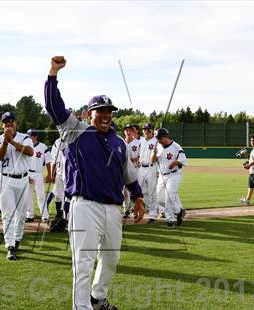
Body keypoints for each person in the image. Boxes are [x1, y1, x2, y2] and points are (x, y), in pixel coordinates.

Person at [45, 56, 143, 310]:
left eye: (109, 112)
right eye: (101, 111)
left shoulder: (118, 142)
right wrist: (53, 74)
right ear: (90, 114)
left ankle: (97, 298)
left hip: (113, 208)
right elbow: (54, 106)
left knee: (111, 259)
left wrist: (139, 196)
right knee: (84, 261)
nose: (106, 116)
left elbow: (128, 173)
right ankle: (82, 307)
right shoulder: (75, 131)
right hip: (84, 205)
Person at [0, 111, 34, 260]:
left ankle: (17, 240)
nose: (9, 124)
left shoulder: (25, 137)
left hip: (23, 179)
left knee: (22, 215)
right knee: (8, 214)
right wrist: (5, 141)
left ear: (16, 123)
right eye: (6, 122)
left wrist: (12, 142)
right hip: (6, 179)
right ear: (2, 124)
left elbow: (30, 152)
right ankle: (10, 246)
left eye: (11, 121)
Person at [152, 128, 186, 229]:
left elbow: (183, 161)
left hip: (174, 175)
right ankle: (180, 211)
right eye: (157, 139)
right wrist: (153, 153)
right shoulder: (157, 146)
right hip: (162, 176)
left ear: (166, 137)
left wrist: (175, 162)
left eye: (160, 138)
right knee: (159, 199)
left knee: (169, 198)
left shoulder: (176, 146)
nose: (158, 141)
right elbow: (152, 161)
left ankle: (170, 221)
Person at [25, 128, 53, 223]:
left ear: (36, 136)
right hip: (28, 173)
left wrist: (49, 174)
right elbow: (23, 162)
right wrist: (26, 175)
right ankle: (30, 215)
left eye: (31, 136)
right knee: (28, 195)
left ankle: (45, 216)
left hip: (38, 173)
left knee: (41, 196)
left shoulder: (43, 147)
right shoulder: (26, 146)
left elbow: (48, 161)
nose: (29, 138)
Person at [139, 123, 159, 223]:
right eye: (145, 129)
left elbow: (159, 156)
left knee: (152, 192)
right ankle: (154, 208)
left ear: (152, 130)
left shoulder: (156, 141)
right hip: (141, 168)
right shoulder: (141, 141)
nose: (146, 131)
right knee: (141, 191)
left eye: (148, 129)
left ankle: (153, 216)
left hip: (152, 168)